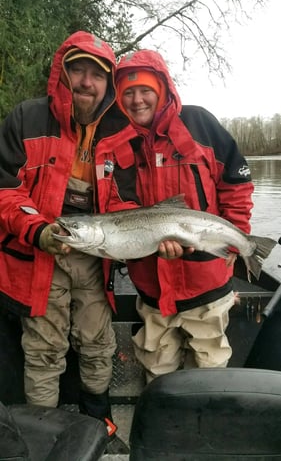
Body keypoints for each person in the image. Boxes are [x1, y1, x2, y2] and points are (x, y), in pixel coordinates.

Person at [0, 30, 141, 454]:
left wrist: (135, 235)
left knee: (99, 343)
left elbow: (128, 201)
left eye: (96, 75)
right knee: (44, 348)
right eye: (78, 70)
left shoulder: (121, 133)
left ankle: (101, 424)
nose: (86, 82)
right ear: (63, 73)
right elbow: (6, 191)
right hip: (37, 252)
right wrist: (38, 230)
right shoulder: (26, 118)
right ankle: (40, 434)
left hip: (95, 257)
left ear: (107, 84)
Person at [115, 49, 255, 383]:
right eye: (128, 93)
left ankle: (201, 432)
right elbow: (116, 202)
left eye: (145, 90)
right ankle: (162, 431)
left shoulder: (199, 124)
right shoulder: (118, 144)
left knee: (207, 377)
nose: (137, 100)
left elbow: (236, 185)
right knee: (156, 374)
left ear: (162, 89)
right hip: (152, 289)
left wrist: (235, 243)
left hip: (207, 284)